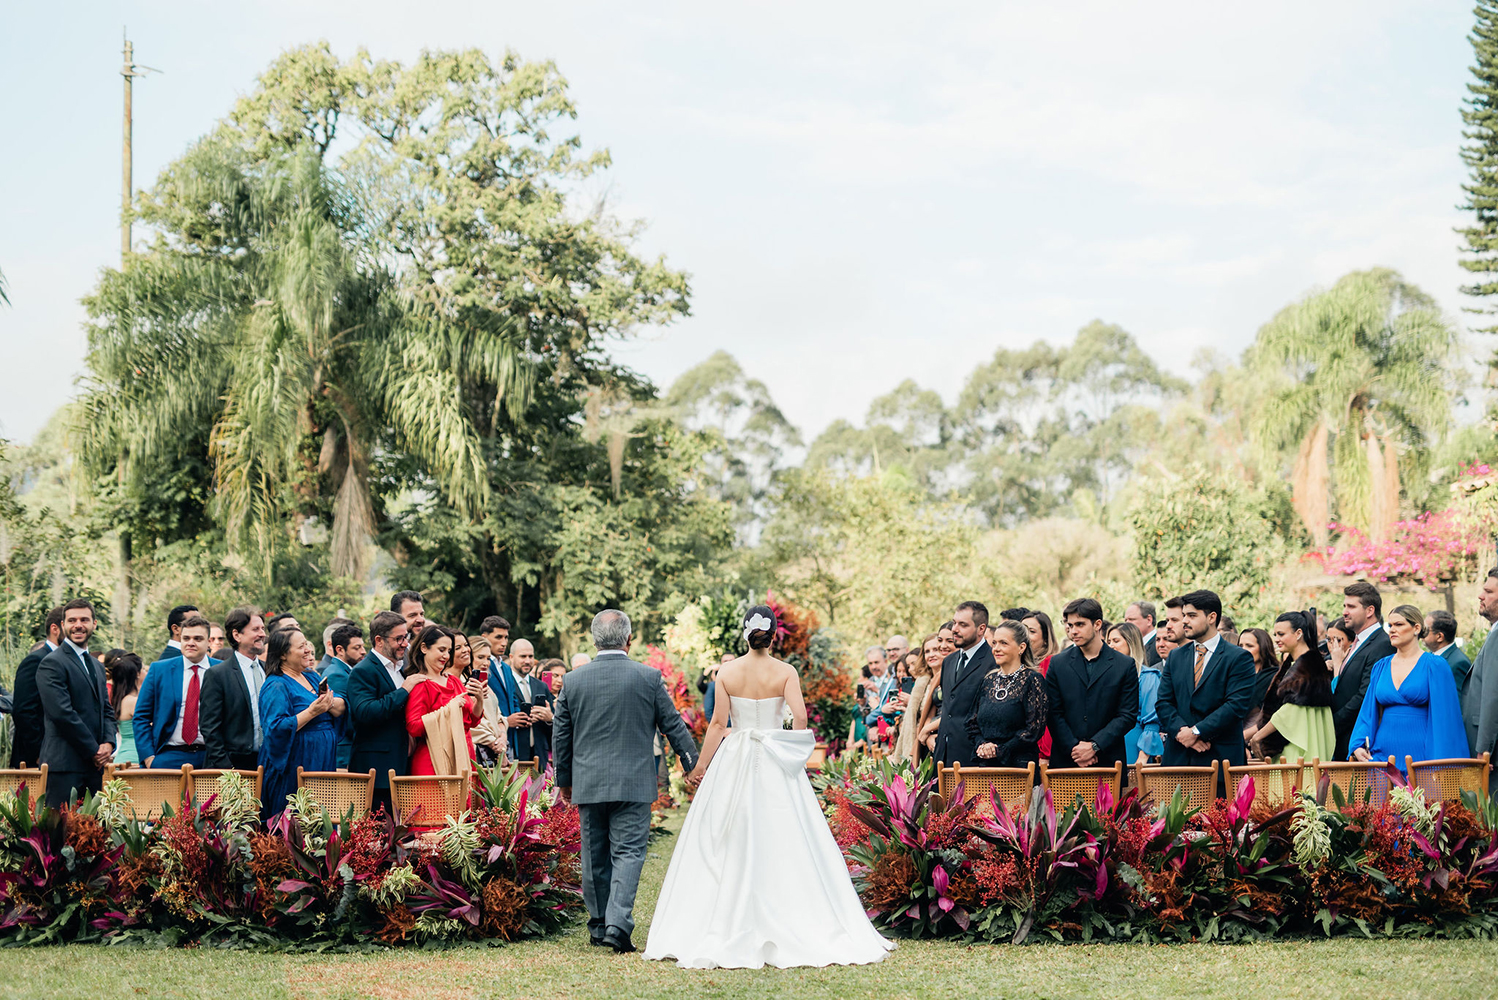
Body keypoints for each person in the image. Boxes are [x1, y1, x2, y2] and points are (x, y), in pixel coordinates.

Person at [644, 607, 888, 969]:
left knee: (727, 832)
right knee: (788, 831)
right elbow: (802, 719)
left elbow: (716, 724)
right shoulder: (785, 672)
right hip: (774, 756)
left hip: (735, 756)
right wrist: (784, 741)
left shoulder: (726, 672)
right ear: (775, 634)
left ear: (745, 633)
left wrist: (700, 766)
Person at [556, 609, 698, 954]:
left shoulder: (573, 681)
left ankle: (599, 923)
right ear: (629, 640)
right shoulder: (648, 677)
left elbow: (562, 734)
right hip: (633, 780)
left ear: (593, 641)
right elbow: (672, 724)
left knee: (594, 854)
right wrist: (691, 762)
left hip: (588, 781)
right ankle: (617, 925)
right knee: (629, 852)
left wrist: (564, 779)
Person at [1350, 604, 1467, 771]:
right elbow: (1368, 711)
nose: (1391, 630)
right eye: (1390, 625)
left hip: (1422, 756)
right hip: (1383, 754)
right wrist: (1358, 744)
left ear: (1416, 628)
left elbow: (1447, 719)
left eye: (1399, 625)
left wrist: (1442, 764)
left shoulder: (1435, 666)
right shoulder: (1380, 667)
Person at [1155, 590, 1257, 767]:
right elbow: (1163, 702)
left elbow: (1235, 706)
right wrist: (1182, 733)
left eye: (1192, 615)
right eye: (1184, 615)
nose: (1185, 621)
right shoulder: (1175, 656)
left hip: (1219, 759)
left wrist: (1196, 732)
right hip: (1178, 759)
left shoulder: (1238, 657)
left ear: (1211, 617)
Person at [258, 627, 345, 820]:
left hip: (322, 761)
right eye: (301, 646)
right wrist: (312, 712)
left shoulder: (311, 676)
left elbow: (340, 706)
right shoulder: (276, 685)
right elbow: (275, 728)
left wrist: (327, 703)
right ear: (282, 655)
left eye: (306, 644)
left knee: (319, 819)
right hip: (295, 763)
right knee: (296, 821)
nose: (307, 649)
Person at [36, 600, 115, 808]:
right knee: (61, 833)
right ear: (63, 625)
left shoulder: (97, 667)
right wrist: (94, 751)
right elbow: (62, 714)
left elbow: (106, 709)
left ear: (94, 624)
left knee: (92, 835)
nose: (78, 625)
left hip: (93, 767)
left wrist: (108, 743)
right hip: (65, 765)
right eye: (72, 620)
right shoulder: (52, 663)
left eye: (84, 620)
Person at [1044, 599, 1138, 771]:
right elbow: (1053, 712)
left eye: (1079, 624)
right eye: (1070, 625)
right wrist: (1075, 749)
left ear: (1097, 624)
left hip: (1108, 760)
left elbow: (1127, 715)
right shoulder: (1058, 663)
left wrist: (1094, 746)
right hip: (1066, 762)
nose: (1073, 631)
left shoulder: (1124, 664)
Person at [347, 611, 419, 816]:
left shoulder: (402, 668)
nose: (405, 643)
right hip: (376, 770)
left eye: (406, 637)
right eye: (399, 638)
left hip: (402, 765)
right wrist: (404, 691)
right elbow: (365, 712)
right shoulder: (363, 671)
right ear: (379, 640)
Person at [1246, 611, 1335, 763]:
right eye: (1275, 634)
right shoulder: (1304, 664)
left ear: (1299, 633)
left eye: (1281, 634)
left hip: (1297, 744)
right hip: (1293, 740)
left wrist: (1257, 736)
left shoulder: (1308, 666)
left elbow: (1289, 712)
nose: (1276, 639)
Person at [134, 615, 218, 770]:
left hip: (211, 757)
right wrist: (148, 757)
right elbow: (141, 717)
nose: (191, 643)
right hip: (168, 756)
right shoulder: (159, 670)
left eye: (198, 639)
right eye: (186, 638)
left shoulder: (222, 670)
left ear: (208, 642)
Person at [966, 620, 1048, 768]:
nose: (996, 648)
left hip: (1019, 767)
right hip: (986, 765)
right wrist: (983, 744)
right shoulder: (988, 680)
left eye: (1003, 643)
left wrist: (1000, 750)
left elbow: (1033, 730)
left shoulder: (1032, 680)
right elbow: (971, 722)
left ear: (1021, 647)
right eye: (994, 643)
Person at [405, 625, 483, 776]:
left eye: (449, 651)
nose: (446, 656)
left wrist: (479, 700)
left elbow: (471, 722)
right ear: (424, 648)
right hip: (434, 761)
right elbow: (413, 727)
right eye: (441, 650)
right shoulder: (420, 683)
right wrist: (448, 710)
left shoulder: (454, 681)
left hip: (463, 755)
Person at [1332, 582, 1395, 762]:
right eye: (1344, 606)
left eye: (1351, 606)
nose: (1344, 611)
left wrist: (1333, 724)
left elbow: (1365, 695)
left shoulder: (1382, 644)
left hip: (1360, 742)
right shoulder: (1358, 642)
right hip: (1345, 740)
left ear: (1369, 611)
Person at [926, 602, 993, 766]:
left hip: (974, 759)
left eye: (963, 625)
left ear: (981, 629)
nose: (955, 629)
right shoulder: (949, 661)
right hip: (943, 756)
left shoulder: (993, 662)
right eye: (954, 622)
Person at [201, 607, 268, 770]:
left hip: (268, 763)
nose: (262, 634)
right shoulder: (217, 675)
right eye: (255, 629)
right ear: (237, 635)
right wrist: (227, 768)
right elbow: (209, 728)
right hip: (232, 767)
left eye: (263, 629)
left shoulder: (270, 671)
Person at [9, 606, 63, 767]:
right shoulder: (36, 660)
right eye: (69, 624)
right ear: (55, 628)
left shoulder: (69, 661)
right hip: (36, 759)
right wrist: (40, 752)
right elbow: (23, 710)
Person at [1464, 570, 1498, 790]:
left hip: (1490, 752)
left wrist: (1484, 749)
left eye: (1488, 591)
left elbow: (1492, 695)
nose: (1480, 596)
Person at [1111, 622, 1161, 764]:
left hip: (1134, 749)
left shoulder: (1148, 677)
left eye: (1116, 641)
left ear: (1131, 643)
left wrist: (1142, 757)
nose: (1111, 646)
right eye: (1108, 641)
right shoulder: (1106, 677)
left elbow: (1152, 723)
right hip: (1107, 747)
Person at [503, 638, 554, 766]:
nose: (527, 661)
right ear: (511, 657)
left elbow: (555, 722)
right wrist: (507, 722)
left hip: (539, 755)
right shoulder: (505, 684)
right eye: (523, 656)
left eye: (531, 656)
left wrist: (549, 718)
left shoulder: (541, 686)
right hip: (514, 754)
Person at [321, 622, 364, 769]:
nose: (363, 651)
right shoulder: (335, 674)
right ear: (339, 649)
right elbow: (347, 716)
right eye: (356, 648)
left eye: (363, 646)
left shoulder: (348, 671)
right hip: (344, 751)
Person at [1021, 610, 1058, 760]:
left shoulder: (1050, 664)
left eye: (1031, 631)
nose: (1025, 635)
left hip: (1042, 749)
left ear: (1045, 639)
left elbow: (1051, 710)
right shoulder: (1018, 666)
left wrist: (1045, 752)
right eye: (1022, 629)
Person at [895, 637, 938, 763]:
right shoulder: (923, 680)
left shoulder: (944, 678)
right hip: (920, 738)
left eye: (935, 649)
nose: (931, 655)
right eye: (927, 651)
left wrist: (927, 730)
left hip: (933, 738)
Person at [1239, 627, 1278, 737]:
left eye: (1249, 646)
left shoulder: (1274, 677)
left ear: (1263, 648)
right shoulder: (1236, 676)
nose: (1243, 650)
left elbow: (1273, 716)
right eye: (1240, 646)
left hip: (1260, 738)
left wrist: (1244, 736)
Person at [108, 652, 145, 765]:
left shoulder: (121, 699)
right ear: (137, 674)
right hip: (134, 759)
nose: (146, 672)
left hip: (125, 756)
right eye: (143, 669)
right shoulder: (132, 702)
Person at [1425, 610, 1473, 698]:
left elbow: (1460, 701)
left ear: (1439, 636)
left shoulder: (1458, 662)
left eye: (1426, 630)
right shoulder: (1429, 657)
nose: (1422, 633)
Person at [391, 591, 426, 664]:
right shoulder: (390, 655)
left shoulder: (429, 649)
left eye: (421, 614)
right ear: (395, 617)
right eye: (412, 615)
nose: (420, 620)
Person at [1126, 601, 1161, 666]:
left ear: (1149, 620)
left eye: (1132, 619)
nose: (1127, 624)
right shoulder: (1128, 646)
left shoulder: (1160, 646)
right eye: (1126, 620)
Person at [1326, 618, 1356, 683]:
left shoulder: (1357, 664)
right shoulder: (1325, 661)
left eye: (1338, 640)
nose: (1332, 645)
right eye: (1329, 640)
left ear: (1351, 641)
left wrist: (1338, 665)